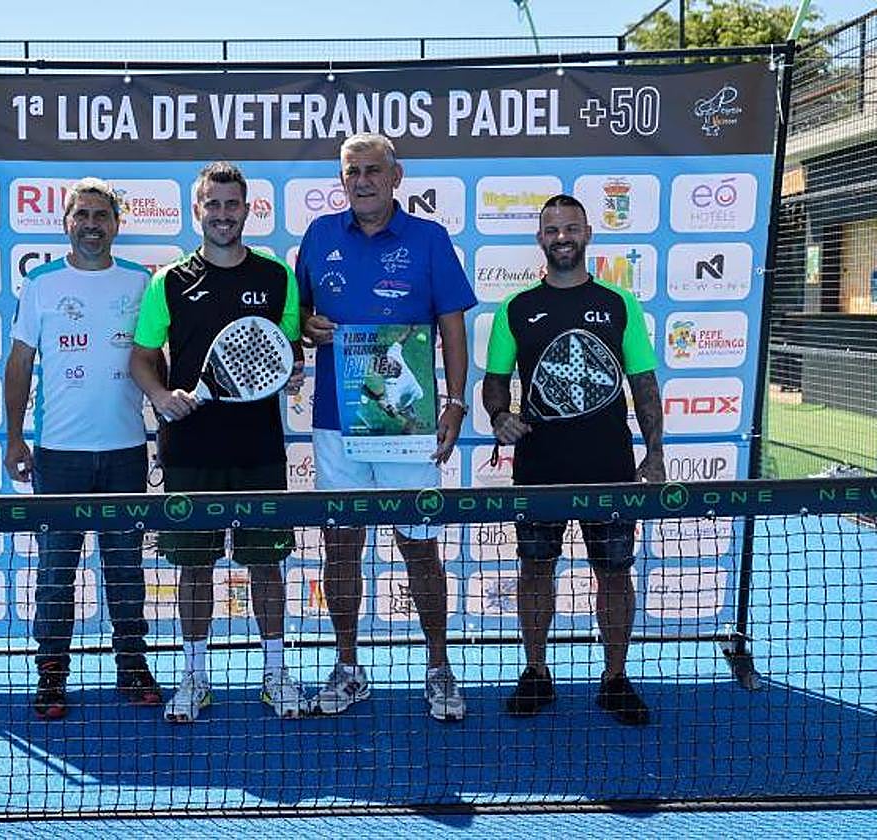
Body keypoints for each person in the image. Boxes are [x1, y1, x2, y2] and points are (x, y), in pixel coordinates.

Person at [297, 133, 477, 722]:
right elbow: (297, 316)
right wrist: (309, 327)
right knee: (341, 547)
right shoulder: (320, 236)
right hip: (335, 422)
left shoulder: (429, 239)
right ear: (342, 178)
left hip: (408, 424)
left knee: (418, 547)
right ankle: (348, 667)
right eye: (353, 172)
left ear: (396, 176)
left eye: (374, 170)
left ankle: (438, 666)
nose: (363, 181)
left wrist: (455, 403)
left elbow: (452, 326)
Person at [129, 161, 307, 723]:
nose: (223, 214)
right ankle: (195, 677)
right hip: (190, 449)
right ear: (197, 210)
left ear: (247, 209)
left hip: (258, 447)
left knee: (265, 566)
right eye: (213, 204)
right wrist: (161, 396)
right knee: (194, 568)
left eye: (232, 204)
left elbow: (288, 348)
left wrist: (295, 368)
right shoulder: (169, 282)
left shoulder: (278, 275)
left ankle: (276, 675)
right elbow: (140, 356)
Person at [481, 193, 665, 726]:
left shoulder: (619, 304)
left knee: (613, 573)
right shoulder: (515, 308)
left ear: (588, 235)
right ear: (540, 239)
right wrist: (500, 416)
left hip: (610, 466)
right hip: (538, 471)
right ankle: (536, 673)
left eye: (571, 228)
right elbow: (495, 382)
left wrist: (653, 456)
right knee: (535, 571)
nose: (561, 237)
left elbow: (644, 384)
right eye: (552, 230)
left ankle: (615, 678)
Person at [3, 177, 163, 720]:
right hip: (58, 455)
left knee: (125, 569)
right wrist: (13, 438)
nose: (92, 224)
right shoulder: (41, 284)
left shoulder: (142, 282)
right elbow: (20, 363)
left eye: (102, 215)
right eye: (82, 215)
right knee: (55, 571)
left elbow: (156, 360)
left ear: (117, 224)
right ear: (66, 222)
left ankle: (132, 664)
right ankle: (51, 674)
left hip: (125, 452)